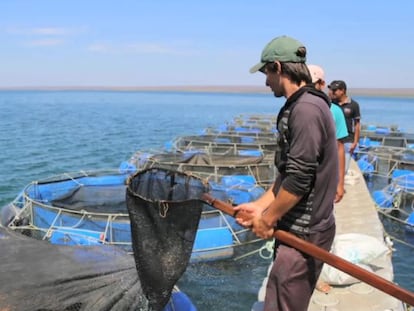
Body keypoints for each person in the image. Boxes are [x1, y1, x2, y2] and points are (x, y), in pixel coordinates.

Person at [235, 35, 338, 310]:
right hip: (294, 230)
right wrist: (258, 207)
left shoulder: (305, 109)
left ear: (278, 67)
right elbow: (286, 174)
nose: (265, 81)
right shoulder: (301, 105)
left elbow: (300, 179)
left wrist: (267, 219)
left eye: (266, 73)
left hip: (304, 234)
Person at [308, 64, 347, 203]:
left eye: (312, 83)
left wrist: (340, 183)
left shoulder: (335, 111)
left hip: (325, 176)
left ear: (321, 84)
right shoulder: (297, 107)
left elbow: (340, 148)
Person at [328, 80, 361, 174]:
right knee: (331, 168)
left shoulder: (354, 105)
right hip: (333, 140)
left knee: (343, 169)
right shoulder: (330, 104)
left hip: (347, 141)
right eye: (331, 90)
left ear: (342, 91)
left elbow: (357, 124)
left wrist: (355, 142)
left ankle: (340, 186)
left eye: (335, 90)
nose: (332, 92)